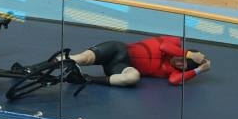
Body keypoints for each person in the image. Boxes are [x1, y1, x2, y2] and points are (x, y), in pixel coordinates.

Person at [63, 37, 210, 87]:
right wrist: (190, 55)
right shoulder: (174, 42)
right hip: (117, 49)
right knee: (82, 59)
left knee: (133, 77)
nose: (179, 63)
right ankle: (54, 62)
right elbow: (164, 46)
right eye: (182, 60)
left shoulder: (172, 72)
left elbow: (173, 81)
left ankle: (87, 79)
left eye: (182, 66)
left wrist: (199, 70)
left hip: (120, 67)